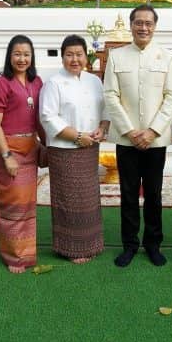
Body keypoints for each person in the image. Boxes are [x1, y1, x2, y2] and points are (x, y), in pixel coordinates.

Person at [103, 4, 172, 268]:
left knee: (154, 193)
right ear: (131, 25)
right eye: (138, 22)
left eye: (148, 23)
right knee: (127, 193)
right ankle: (129, 245)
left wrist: (152, 131)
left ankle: (153, 244)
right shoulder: (116, 56)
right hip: (126, 139)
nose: (143, 27)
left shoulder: (167, 57)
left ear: (155, 26)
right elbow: (110, 96)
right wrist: (129, 130)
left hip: (155, 140)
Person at [39, 34, 109, 264]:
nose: (74, 59)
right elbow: (47, 117)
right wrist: (78, 136)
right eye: (69, 54)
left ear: (86, 57)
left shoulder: (94, 81)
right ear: (62, 57)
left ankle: (91, 243)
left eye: (79, 54)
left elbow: (105, 109)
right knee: (68, 199)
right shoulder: (54, 82)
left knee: (88, 198)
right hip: (64, 149)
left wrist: (102, 127)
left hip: (90, 148)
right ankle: (69, 248)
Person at [0, 34, 45, 273]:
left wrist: (47, 146)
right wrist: (7, 155)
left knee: (28, 203)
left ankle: (27, 253)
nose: (22, 59)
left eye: (26, 54)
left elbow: (39, 119)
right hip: (8, 149)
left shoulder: (37, 82)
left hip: (31, 147)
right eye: (17, 54)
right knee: (12, 202)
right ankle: (13, 255)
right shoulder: (0, 83)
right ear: (9, 56)